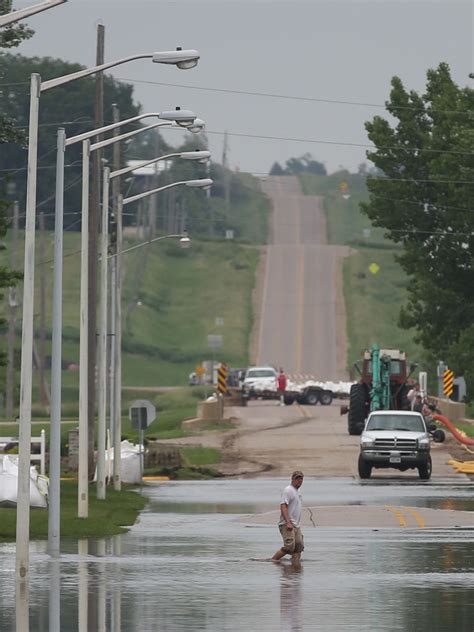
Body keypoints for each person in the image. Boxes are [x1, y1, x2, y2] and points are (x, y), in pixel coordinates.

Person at [272, 471, 304, 563]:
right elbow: (283, 506)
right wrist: (288, 522)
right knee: (289, 547)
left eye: (301, 478)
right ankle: (274, 560)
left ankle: (295, 566)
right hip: (287, 524)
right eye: (297, 478)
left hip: (296, 525)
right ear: (292, 479)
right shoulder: (288, 490)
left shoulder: (297, 492)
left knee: (299, 547)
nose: (299, 480)